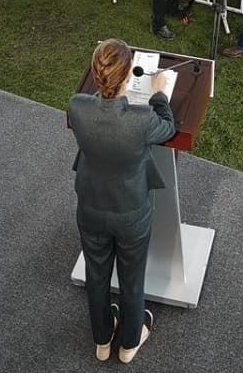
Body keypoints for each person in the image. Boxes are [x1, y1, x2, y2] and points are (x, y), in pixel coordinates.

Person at [67, 40, 177, 364]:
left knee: (97, 274)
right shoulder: (141, 120)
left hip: (90, 207)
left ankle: (102, 340)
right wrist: (159, 93)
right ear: (129, 75)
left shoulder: (77, 106)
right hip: (132, 213)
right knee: (132, 277)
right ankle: (129, 343)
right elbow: (167, 128)